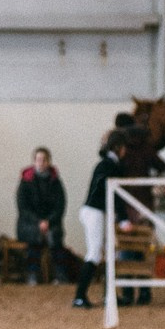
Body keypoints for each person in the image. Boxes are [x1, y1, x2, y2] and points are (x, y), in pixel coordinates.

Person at [114, 113, 165, 305]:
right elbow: (162, 165)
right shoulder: (147, 147)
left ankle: (127, 292)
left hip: (124, 204)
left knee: (126, 247)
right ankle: (145, 293)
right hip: (145, 203)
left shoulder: (121, 148)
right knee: (145, 248)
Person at [72, 129, 130, 309]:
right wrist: (123, 218)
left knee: (108, 253)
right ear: (119, 147)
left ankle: (108, 295)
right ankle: (79, 296)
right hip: (95, 212)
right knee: (95, 253)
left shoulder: (109, 165)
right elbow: (112, 193)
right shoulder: (107, 166)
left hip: (101, 212)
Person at [15, 147, 67, 285]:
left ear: (49, 162)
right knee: (34, 238)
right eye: (38, 160)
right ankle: (32, 273)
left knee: (55, 238)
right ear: (34, 161)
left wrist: (48, 221)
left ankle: (60, 274)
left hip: (51, 222)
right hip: (29, 223)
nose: (41, 163)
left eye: (44, 160)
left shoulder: (56, 181)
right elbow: (22, 207)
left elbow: (60, 206)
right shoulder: (25, 181)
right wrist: (38, 222)